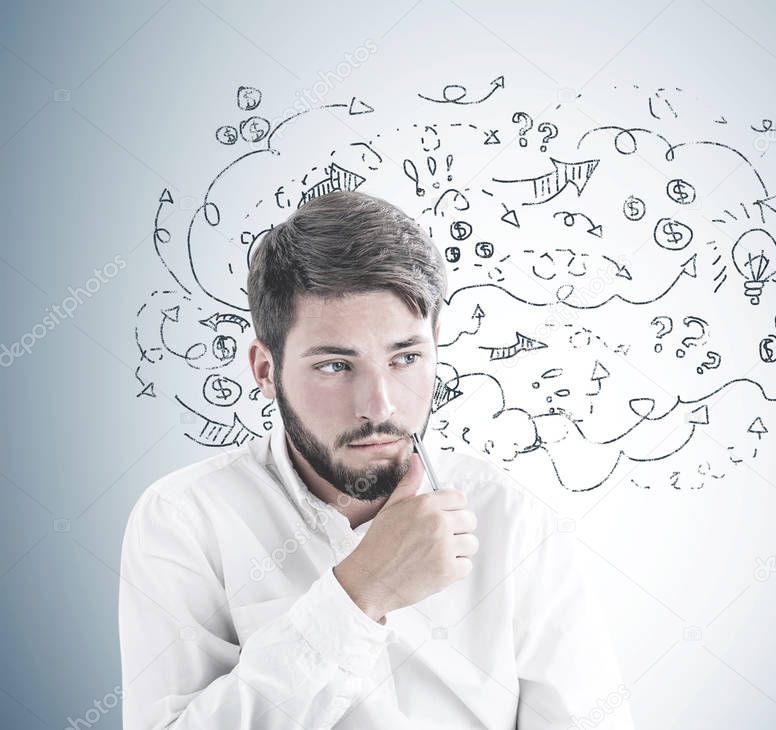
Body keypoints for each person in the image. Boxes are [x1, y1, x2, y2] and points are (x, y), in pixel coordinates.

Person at [118, 190, 634, 728]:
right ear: (265, 370)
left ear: (435, 345)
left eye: (406, 358)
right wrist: (361, 593)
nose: (380, 406)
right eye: (337, 366)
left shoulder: (512, 518)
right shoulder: (184, 519)